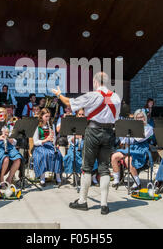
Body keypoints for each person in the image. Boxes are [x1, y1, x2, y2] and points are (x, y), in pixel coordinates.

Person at [52, 71, 121, 215]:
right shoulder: (116, 97)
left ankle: (82, 201)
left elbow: (68, 103)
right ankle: (104, 205)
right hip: (109, 132)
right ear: (106, 82)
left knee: (87, 167)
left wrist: (59, 94)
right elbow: (115, 117)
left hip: (93, 131)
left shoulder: (93, 95)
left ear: (96, 82)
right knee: (104, 167)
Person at [111, 109, 154, 190]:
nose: (140, 119)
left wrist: (130, 132)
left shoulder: (149, 128)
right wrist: (122, 134)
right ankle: (116, 180)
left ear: (144, 117)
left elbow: (139, 139)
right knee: (114, 156)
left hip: (142, 149)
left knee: (128, 160)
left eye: (141, 117)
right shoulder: (134, 128)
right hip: (132, 148)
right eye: (137, 118)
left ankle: (137, 182)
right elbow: (127, 141)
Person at [62, 109, 99, 185]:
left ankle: (93, 177)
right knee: (72, 157)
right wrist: (75, 137)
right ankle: (76, 176)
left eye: (83, 114)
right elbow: (69, 139)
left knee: (93, 157)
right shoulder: (72, 124)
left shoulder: (89, 124)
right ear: (77, 115)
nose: (81, 116)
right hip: (75, 146)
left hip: (86, 145)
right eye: (80, 114)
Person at [32, 108, 63, 187]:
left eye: (49, 116)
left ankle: (58, 177)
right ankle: (42, 178)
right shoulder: (37, 126)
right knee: (43, 155)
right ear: (41, 116)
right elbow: (35, 142)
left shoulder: (51, 125)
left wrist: (52, 138)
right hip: (40, 146)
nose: (48, 118)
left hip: (50, 145)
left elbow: (54, 139)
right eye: (46, 116)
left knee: (58, 154)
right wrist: (45, 140)